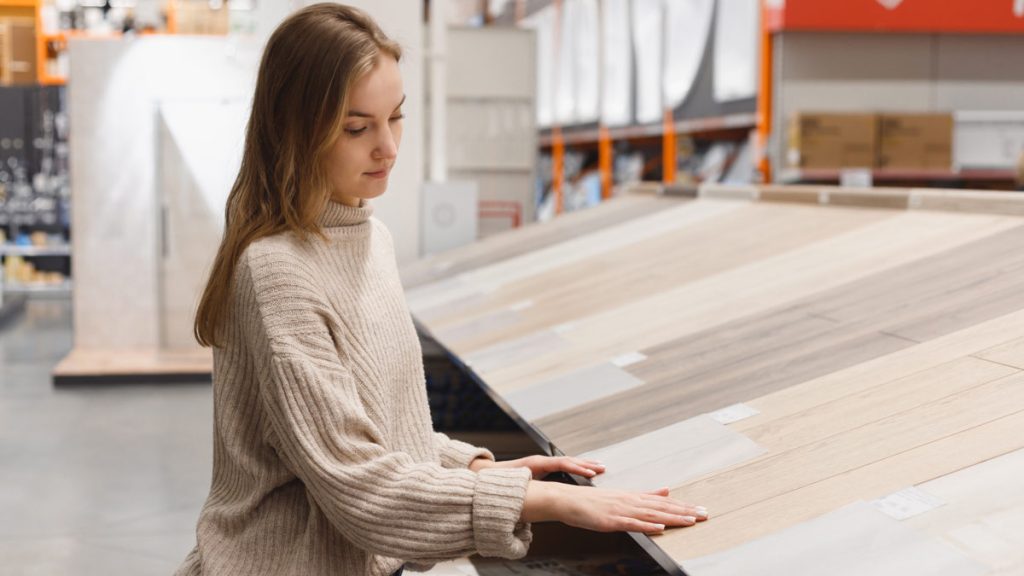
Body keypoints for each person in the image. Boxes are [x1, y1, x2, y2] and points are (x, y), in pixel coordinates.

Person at [177, 4, 707, 575]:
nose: (388, 147)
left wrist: (479, 469)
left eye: (395, 118)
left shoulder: (369, 237)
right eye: (357, 127)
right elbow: (357, 484)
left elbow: (381, 429)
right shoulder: (275, 269)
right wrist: (551, 501)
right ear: (296, 130)